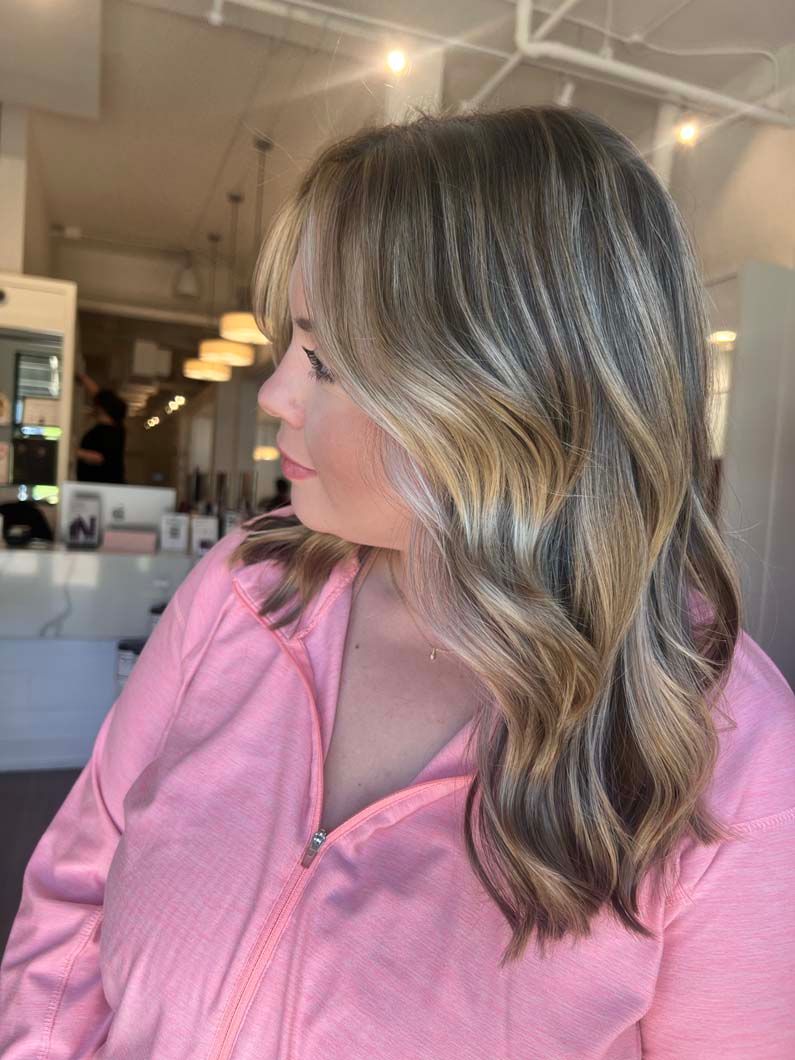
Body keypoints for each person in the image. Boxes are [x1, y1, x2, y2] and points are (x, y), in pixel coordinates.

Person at [1, 107, 794, 1058]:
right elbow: (74, 897)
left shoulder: (726, 754)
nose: (277, 394)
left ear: (503, 399)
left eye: (327, 360)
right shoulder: (244, 591)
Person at [74, 370, 127, 483]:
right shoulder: (115, 429)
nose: (94, 406)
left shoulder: (111, 433)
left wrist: (73, 452)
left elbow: (98, 458)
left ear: (104, 409)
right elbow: (98, 394)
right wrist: (83, 378)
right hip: (98, 485)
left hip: (100, 485)